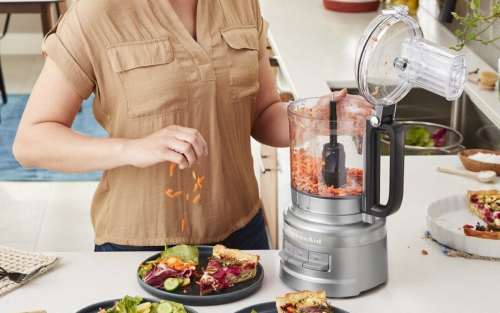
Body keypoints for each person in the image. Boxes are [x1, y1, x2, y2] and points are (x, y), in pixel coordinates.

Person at [13, 0, 372, 251]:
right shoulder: (97, 11)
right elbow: (31, 141)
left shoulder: (241, 4)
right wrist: (132, 148)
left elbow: (263, 115)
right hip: (138, 246)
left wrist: (313, 118)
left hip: (242, 236)